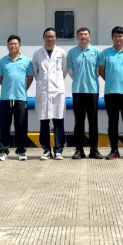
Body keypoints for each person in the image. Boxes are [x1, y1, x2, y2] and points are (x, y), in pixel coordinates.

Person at [98, 26, 123, 160]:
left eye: (120, 36)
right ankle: (114, 150)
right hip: (111, 92)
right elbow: (102, 71)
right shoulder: (105, 53)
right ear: (112, 38)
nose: (118, 38)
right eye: (115, 36)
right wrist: (112, 81)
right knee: (113, 122)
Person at [0, 35, 34, 161]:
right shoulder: (2, 62)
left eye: (15, 44)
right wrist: (9, 88)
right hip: (6, 98)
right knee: (4, 126)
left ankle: (21, 151)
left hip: (21, 98)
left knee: (21, 125)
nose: (13, 46)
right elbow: (0, 78)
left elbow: (30, 78)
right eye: (11, 44)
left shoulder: (27, 61)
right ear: (7, 46)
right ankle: (3, 151)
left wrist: (22, 89)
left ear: (19, 46)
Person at [67, 27, 103, 160]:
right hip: (77, 90)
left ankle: (94, 150)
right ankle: (79, 150)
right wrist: (80, 80)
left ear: (90, 36)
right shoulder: (71, 52)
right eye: (81, 34)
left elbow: (98, 71)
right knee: (79, 122)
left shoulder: (96, 52)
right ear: (77, 37)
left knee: (93, 121)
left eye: (85, 34)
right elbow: (70, 71)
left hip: (92, 91)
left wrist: (89, 80)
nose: (83, 36)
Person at [32, 27, 68, 160]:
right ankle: (46, 150)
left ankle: (58, 150)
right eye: (47, 36)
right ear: (44, 38)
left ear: (56, 38)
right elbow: (36, 72)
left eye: (52, 36)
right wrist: (44, 82)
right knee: (44, 122)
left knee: (58, 121)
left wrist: (55, 82)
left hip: (57, 91)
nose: (50, 38)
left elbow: (64, 71)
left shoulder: (62, 53)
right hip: (43, 91)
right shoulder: (37, 53)